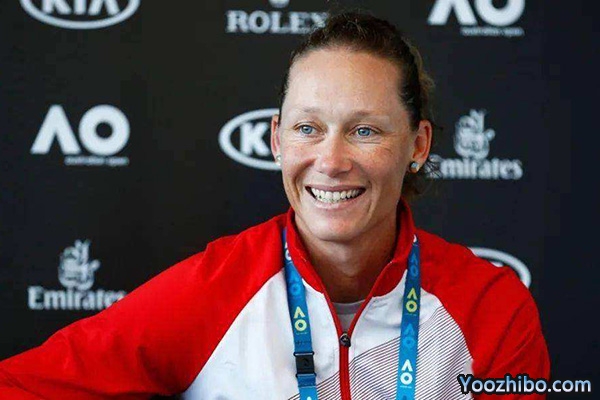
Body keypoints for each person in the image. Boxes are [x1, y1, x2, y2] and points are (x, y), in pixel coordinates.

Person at [0, 12, 549, 400]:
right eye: (308, 128)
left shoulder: (492, 310)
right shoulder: (214, 290)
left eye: (364, 130)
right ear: (276, 140)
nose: (331, 161)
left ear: (418, 146)